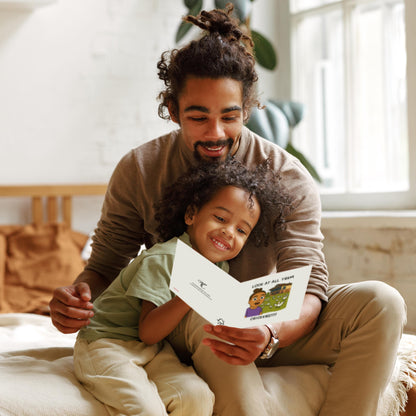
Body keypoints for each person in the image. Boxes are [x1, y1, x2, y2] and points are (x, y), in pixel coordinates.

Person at [50, 5, 406, 416]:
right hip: (177, 318)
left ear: (249, 108)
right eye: (198, 117)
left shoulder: (289, 176)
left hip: (263, 315)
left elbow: (309, 284)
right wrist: (78, 298)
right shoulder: (141, 168)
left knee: (382, 301)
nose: (215, 133)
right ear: (172, 108)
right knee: (205, 293)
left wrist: (270, 331)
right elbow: (106, 264)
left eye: (229, 116)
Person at [73, 158, 292, 416]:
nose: (229, 232)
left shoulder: (219, 270)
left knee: (196, 397)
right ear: (191, 215)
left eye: (242, 230)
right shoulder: (165, 258)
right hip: (106, 344)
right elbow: (148, 331)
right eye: (220, 218)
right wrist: (193, 295)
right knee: (146, 409)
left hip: (152, 352)